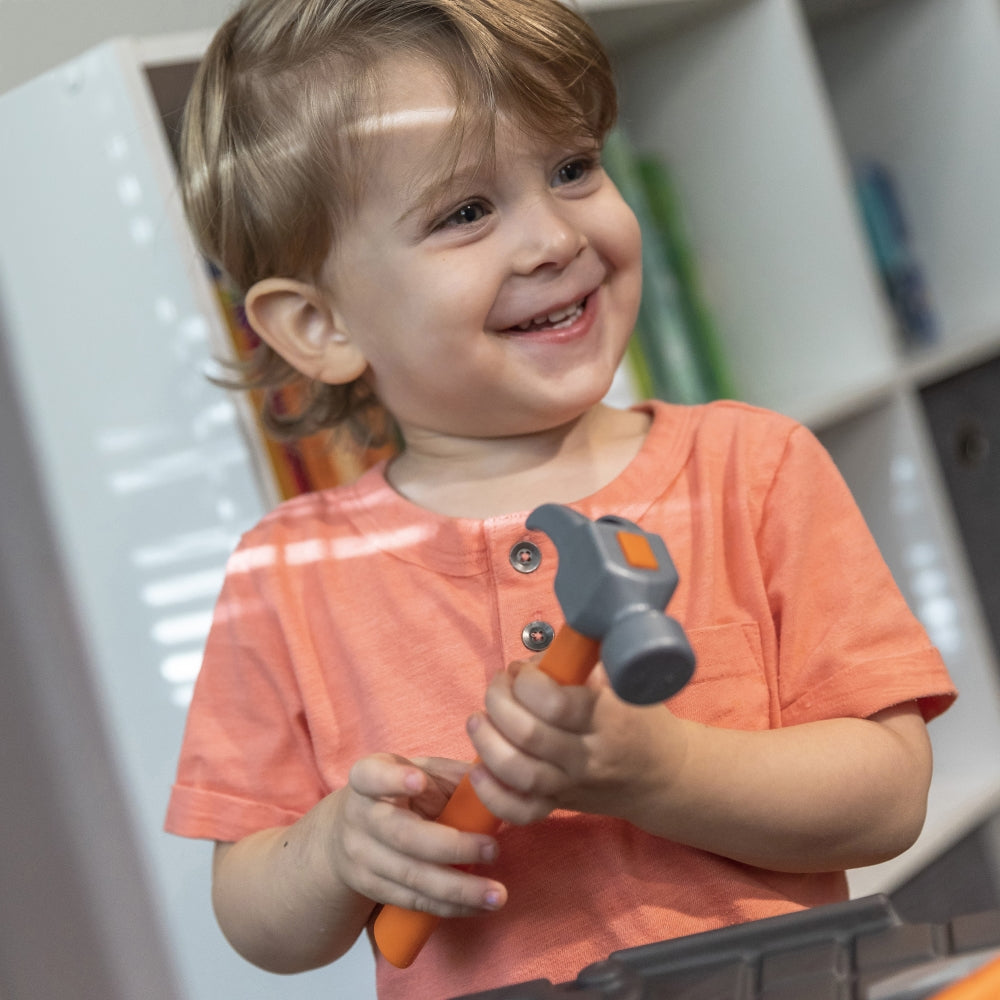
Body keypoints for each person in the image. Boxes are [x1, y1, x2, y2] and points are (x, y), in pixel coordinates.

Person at [164, 0, 957, 996]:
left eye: (571, 167)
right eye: (464, 212)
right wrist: (329, 853)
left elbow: (887, 798)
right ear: (319, 324)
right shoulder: (285, 575)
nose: (551, 236)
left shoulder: (752, 467)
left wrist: (659, 771)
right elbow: (251, 911)